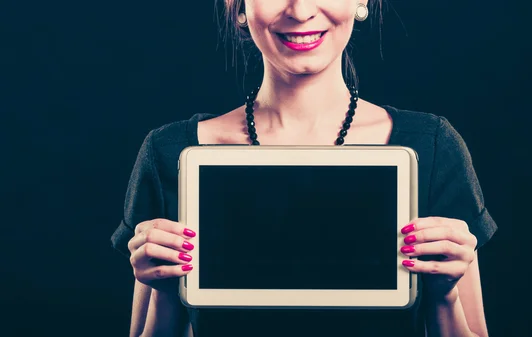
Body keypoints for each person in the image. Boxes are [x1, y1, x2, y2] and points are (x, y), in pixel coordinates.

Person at [110, 1, 498, 336]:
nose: (300, 10)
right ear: (241, 7)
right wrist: (161, 287)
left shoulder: (430, 148)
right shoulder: (171, 154)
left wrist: (445, 295)